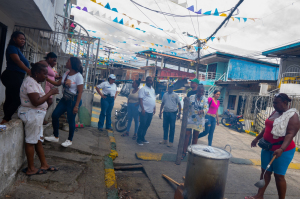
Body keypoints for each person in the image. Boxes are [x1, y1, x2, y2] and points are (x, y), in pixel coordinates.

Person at [245, 94, 300, 199]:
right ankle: (259, 195)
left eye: (276, 102)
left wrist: (281, 149)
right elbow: (267, 127)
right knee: (265, 172)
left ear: (284, 103)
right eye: (273, 102)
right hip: (267, 148)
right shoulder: (275, 112)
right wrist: (257, 138)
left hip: (283, 151)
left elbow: (290, 134)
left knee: (279, 176)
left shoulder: (292, 116)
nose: (274, 105)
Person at [18, 62, 59, 176]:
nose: (46, 76)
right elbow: (36, 102)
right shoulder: (30, 83)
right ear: (36, 73)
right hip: (32, 115)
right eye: (44, 74)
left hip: (36, 115)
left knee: (38, 141)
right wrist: (50, 92)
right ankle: (31, 168)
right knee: (31, 141)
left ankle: (44, 164)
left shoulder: (35, 82)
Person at [44, 57, 83, 147]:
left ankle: (69, 140)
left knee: (71, 120)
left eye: (68, 61)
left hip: (73, 101)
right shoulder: (66, 73)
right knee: (55, 115)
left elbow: (80, 92)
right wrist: (47, 78)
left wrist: (76, 106)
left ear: (72, 64)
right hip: (64, 99)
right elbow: (58, 83)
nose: (66, 62)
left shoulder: (78, 76)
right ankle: (55, 136)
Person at [0, 31, 30, 124]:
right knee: (18, 99)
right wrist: (29, 71)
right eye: (20, 38)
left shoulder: (17, 49)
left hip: (16, 76)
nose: (23, 41)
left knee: (10, 98)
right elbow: (17, 61)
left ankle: (5, 120)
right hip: (12, 75)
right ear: (14, 39)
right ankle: (6, 119)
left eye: (24, 39)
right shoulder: (12, 48)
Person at [182, 84, 208, 159]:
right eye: (200, 92)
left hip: (199, 121)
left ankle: (192, 153)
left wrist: (202, 111)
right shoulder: (191, 97)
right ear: (197, 91)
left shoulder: (205, 99)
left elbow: (206, 109)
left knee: (195, 137)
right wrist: (185, 101)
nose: (201, 93)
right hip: (190, 119)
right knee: (187, 135)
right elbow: (187, 106)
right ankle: (184, 152)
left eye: (202, 92)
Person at [159, 83, 181, 147]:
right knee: (165, 126)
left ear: (173, 88)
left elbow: (179, 104)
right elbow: (162, 103)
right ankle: (165, 139)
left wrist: (179, 113)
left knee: (172, 127)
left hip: (173, 113)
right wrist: (160, 112)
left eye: (172, 87)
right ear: (168, 88)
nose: (171, 88)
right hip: (165, 113)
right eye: (170, 87)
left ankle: (171, 142)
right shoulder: (165, 95)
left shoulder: (175, 95)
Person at [42, 52, 61, 124]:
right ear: (49, 58)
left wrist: (56, 77)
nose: (55, 62)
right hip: (46, 85)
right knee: (48, 101)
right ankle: (42, 116)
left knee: (48, 102)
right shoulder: (44, 64)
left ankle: (42, 116)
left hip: (49, 86)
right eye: (54, 60)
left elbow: (51, 75)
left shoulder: (50, 66)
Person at [136, 76, 156, 146]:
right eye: (148, 81)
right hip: (144, 111)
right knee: (142, 124)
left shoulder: (153, 90)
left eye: (151, 81)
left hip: (150, 111)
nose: (150, 82)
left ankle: (142, 137)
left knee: (147, 125)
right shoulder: (143, 89)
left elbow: (154, 99)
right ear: (146, 81)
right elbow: (140, 99)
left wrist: (154, 108)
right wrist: (143, 109)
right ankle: (138, 139)